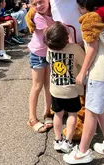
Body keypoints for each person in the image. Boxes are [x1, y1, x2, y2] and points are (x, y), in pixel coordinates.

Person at [63, 0, 104, 164]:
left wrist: (83, 71)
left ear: (89, 9)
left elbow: (93, 48)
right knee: (101, 111)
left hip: (100, 73)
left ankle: (81, 153)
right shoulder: (102, 17)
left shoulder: (89, 21)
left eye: (80, 7)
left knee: (90, 115)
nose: (78, 10)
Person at [44, 22, 85, 153]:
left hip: (55, 89)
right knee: (72, 115)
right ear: (67, 37)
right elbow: (83, 62)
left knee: (58, 114)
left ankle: (57, 140)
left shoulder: (50, 49)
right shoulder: (75, 49)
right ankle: (68, 142)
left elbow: (48, 59)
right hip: (71, 90)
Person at [27, 0, 54, 133]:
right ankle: (32, 118)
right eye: (35, 4)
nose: (39, 6)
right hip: (38, 54)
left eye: (41, 1)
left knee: (48, 85)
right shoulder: (38, 17)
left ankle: (47, 113)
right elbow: (49, 36)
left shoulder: (53, 11)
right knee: (37, 86)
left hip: (49, 55)